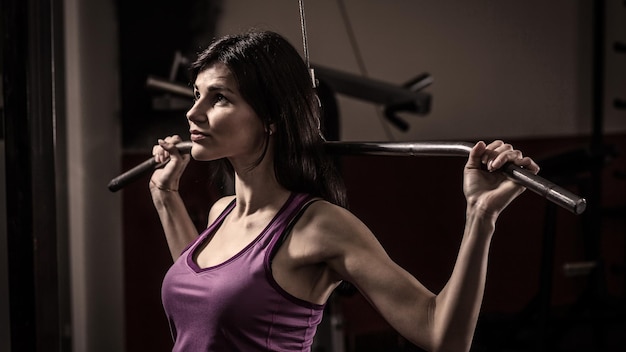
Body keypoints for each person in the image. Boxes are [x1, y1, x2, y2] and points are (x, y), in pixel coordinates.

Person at [149, 29, 539, 352]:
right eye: (197, 94)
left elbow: (443, 335)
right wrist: (166, 198)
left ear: (271, 117)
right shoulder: (222, 212)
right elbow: (203, 307)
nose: (193, 112)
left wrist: (480, 216)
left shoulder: (318, 227)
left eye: (219, 98)